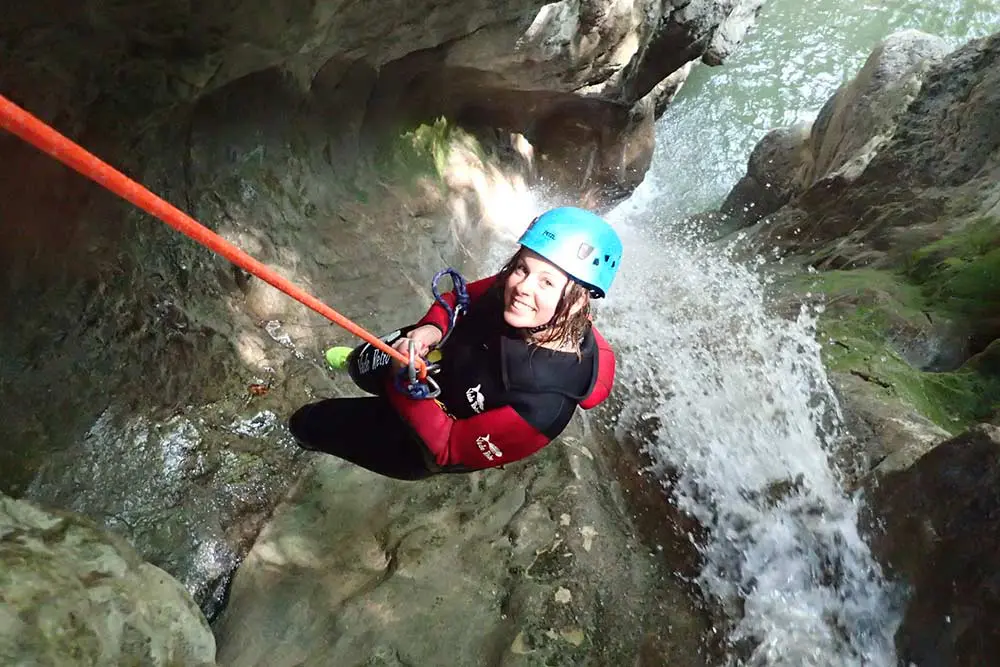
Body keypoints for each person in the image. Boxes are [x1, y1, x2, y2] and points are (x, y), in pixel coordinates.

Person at [289, 206, 622, 480]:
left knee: (309, 422)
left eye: (547, 282)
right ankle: (353, 364)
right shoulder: (517, 293)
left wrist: (404, 379)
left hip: (411, 434)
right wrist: (430, 330)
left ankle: (306, 443)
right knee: (361, 364)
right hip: (427, 355)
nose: (522, 288)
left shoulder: (543, 407)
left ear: (579, 302)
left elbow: (447, 449)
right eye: (522, 269)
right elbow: (457, 300)